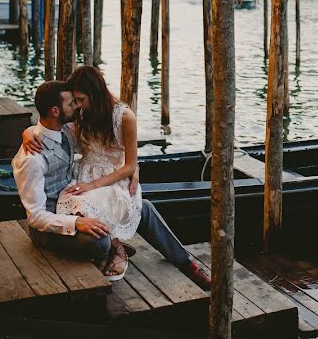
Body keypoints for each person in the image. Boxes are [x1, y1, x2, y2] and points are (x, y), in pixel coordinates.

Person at [21, 66, 211, 288]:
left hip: (107, 181)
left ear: (95, 93)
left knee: (142, 207)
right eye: (74, 101)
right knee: (129, 212)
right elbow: (47, 126)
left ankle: (187, 263)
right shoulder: (77, 119)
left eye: (80, 100)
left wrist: (132, 169)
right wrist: (27, 132)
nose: (77, 106)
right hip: (80, 186)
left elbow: (130, 163)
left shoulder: (124, 116)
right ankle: (116, 246)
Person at [12, 81, 114, 269]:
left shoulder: (66, 130)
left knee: (133, 204)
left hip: (75, 202)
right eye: (70, 104)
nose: (75, 107)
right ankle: (111, 249)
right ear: (55, 111)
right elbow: (35, 217)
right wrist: (76, 222)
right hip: (47, 229)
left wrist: (133, 168)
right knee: (100, 243)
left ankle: (184, 260)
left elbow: (104, 143)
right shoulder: (31, 160)